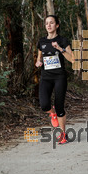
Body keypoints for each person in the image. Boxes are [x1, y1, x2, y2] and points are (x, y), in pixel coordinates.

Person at [35, 15, 74, 144]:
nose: (49, 25)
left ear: (57, 25)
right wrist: (38, 62)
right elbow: (39, 57)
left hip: (59, 77)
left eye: (51, 23)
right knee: (44, 105)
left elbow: (72, 59)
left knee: (59, 106)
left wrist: (60, 49)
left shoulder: (62, 40)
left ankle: (63, 134)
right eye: (47, 23)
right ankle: (52, 113)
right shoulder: (42, 42)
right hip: (46, 77)